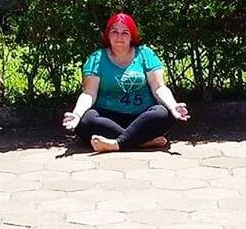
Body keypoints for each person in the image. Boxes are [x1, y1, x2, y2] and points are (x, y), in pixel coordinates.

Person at [62, 12, 189, 152]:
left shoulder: (146, 54)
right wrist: (77, 114)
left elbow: (159, 87)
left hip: (142, 115)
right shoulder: (97, 58)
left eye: (125, 33)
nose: (119, 37)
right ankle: (140, 141)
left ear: (132, 36)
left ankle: (116, 144)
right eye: (114, 31)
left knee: (163, 114)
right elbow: (89, 93)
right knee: (86, 121)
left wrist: (173, 106)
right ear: (108, 35)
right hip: (108, 116)